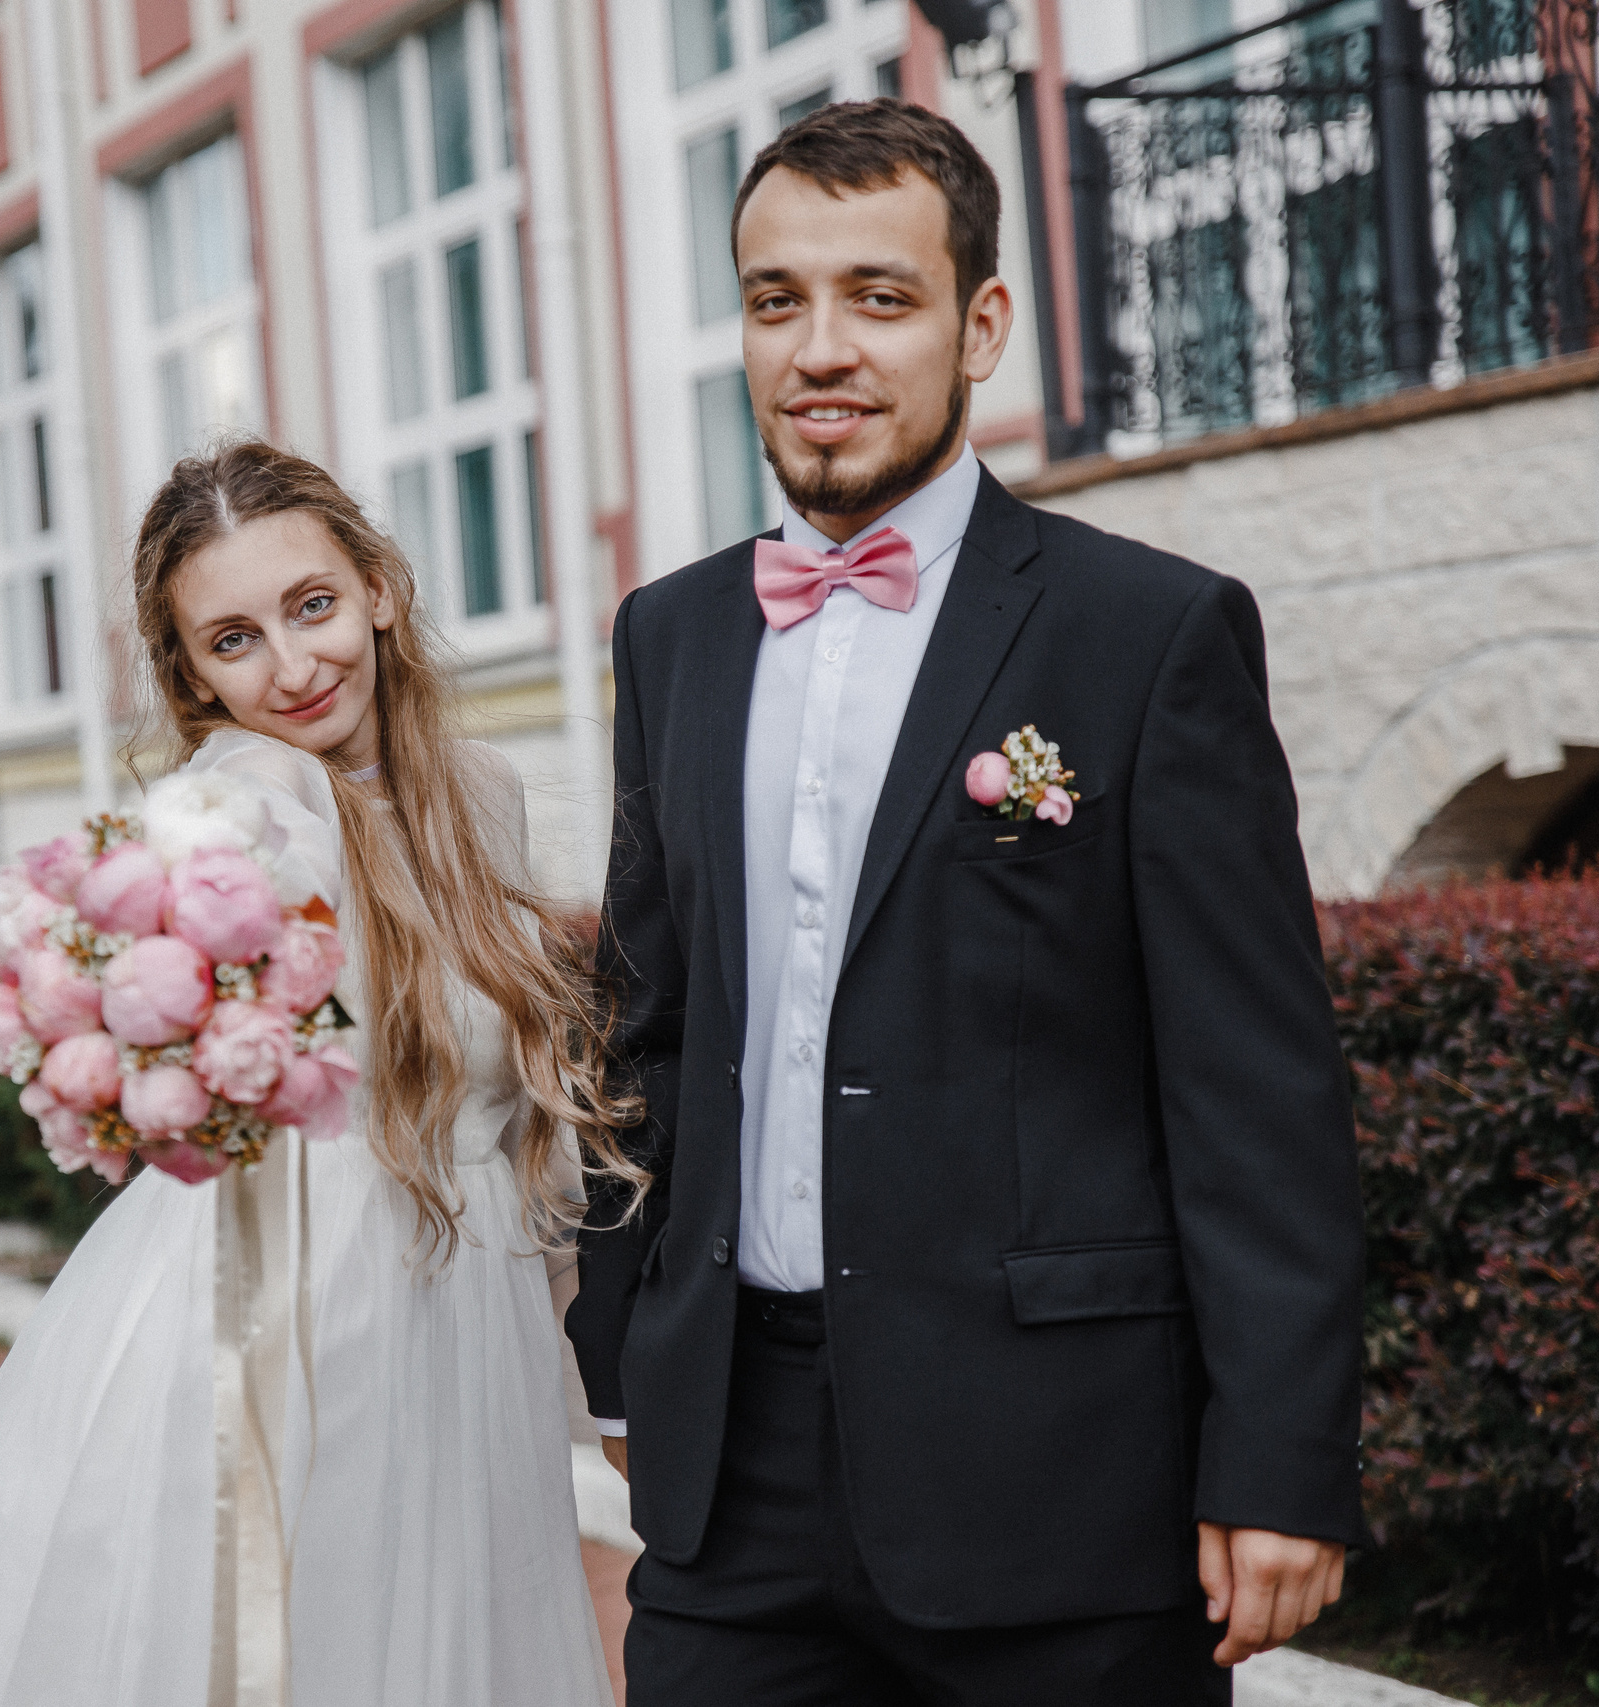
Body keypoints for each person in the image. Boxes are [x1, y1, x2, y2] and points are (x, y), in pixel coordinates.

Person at [566, 100, 1367, 1706]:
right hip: (737, 1490)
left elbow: (1252, 1082)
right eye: (776, 298)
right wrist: (623, 1339)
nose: (820, 349)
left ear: (980, 321)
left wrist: (1280, 1453)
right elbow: (641, 1025)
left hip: (1060, 1477)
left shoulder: (1149, 634)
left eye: (880, 294)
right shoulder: (673, 635)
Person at [0, 442, 637, 1707]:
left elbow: (518, 1138)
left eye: (312, 606)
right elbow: (162, 915)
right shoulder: (256, 789)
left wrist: (596, 1378)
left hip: (467, 1306)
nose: (291, 667)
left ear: (379, 587)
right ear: (194, 678)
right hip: (306, 1310)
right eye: (233, 641)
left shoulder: (481, 800)